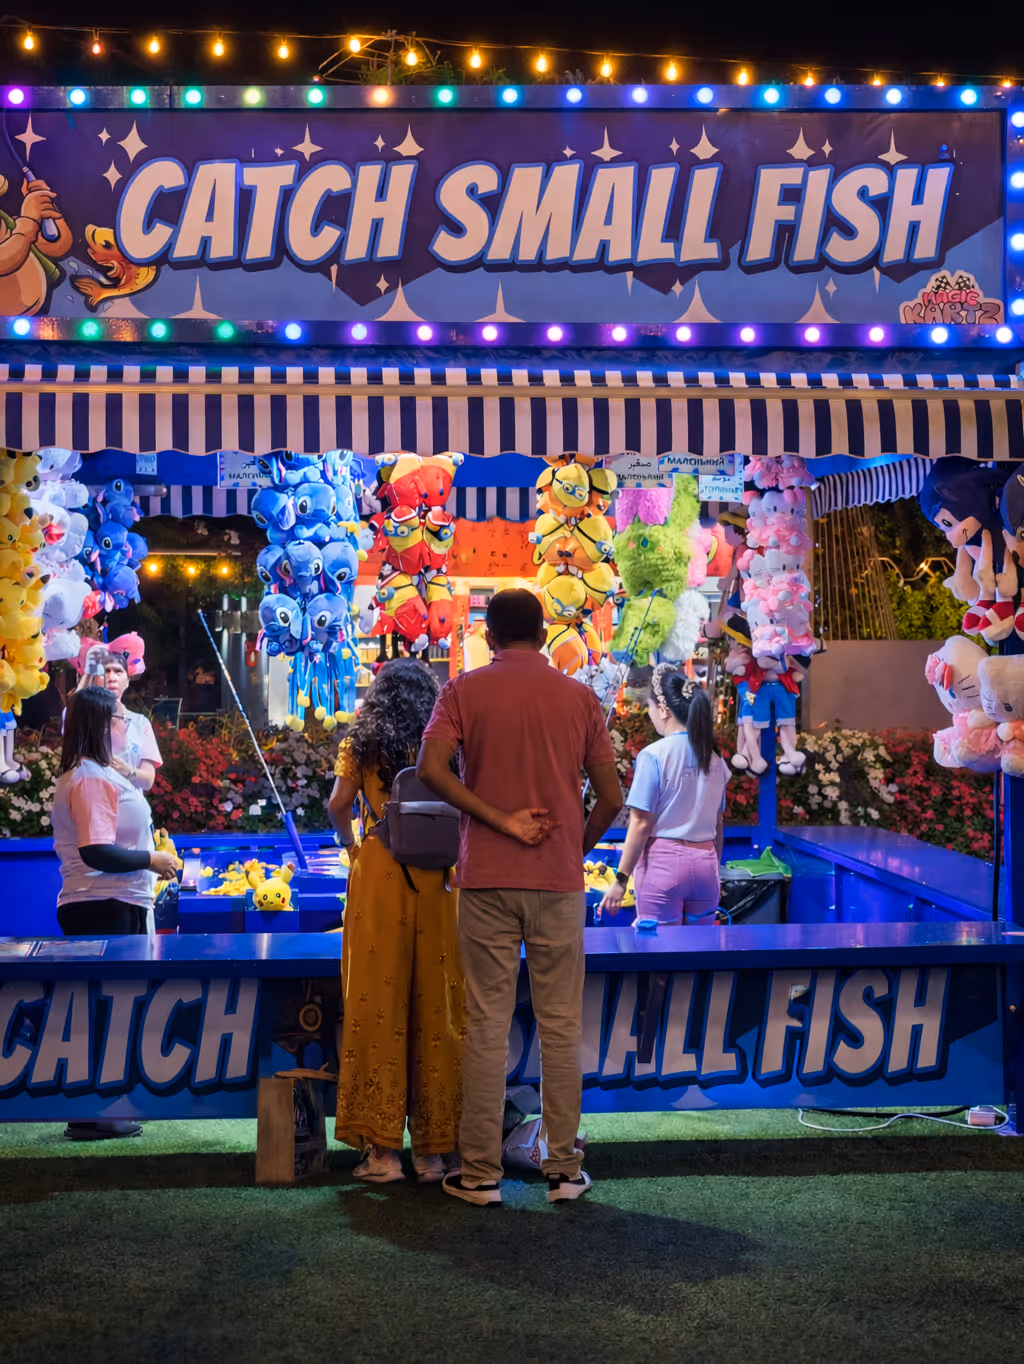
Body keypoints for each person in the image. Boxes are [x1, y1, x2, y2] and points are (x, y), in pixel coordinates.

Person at [417, 589, 623, 1207]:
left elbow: (430, 769)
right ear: (541, 630)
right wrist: (572, 851)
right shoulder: (580, 698)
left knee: (486, 1026)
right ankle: (563, 1171)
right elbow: (612, 798)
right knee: (561, 1027)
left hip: (484, 882)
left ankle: (480, 1175)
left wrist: (499, 822)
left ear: (489, 632)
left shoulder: (462, 691)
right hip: (558, 883)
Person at [327, 659, 465, 1185]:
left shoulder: (362, 742)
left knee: (376, 1005)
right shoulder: (449, 742)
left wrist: (351, 845)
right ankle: (434, 1154)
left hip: (381, 875)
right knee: (440, 1008)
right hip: (441, 878)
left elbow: (340, 804)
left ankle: (382, 1154)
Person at [50, 685, 179, 1140]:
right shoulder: (88, 777)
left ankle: (96, 1109)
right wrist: (151, 860)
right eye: (118, 719)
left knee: (107, 1008)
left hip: (112, 902)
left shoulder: (96, 773)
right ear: (99, 725)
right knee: (108, 1009)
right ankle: (95, 1112)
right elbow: (96, 851)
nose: (124, 726)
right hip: (101, 904)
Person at [599, 664, 730, 926]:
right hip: (706, 865)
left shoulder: (654, 755)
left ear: (664, 709)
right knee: (700, 952)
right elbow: (718, 823)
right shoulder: (716, 759)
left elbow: (640, 823)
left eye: (649, 707)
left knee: (658, 952)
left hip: (663, 865)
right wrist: (713, 870)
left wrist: (621, 880)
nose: (649, 715)